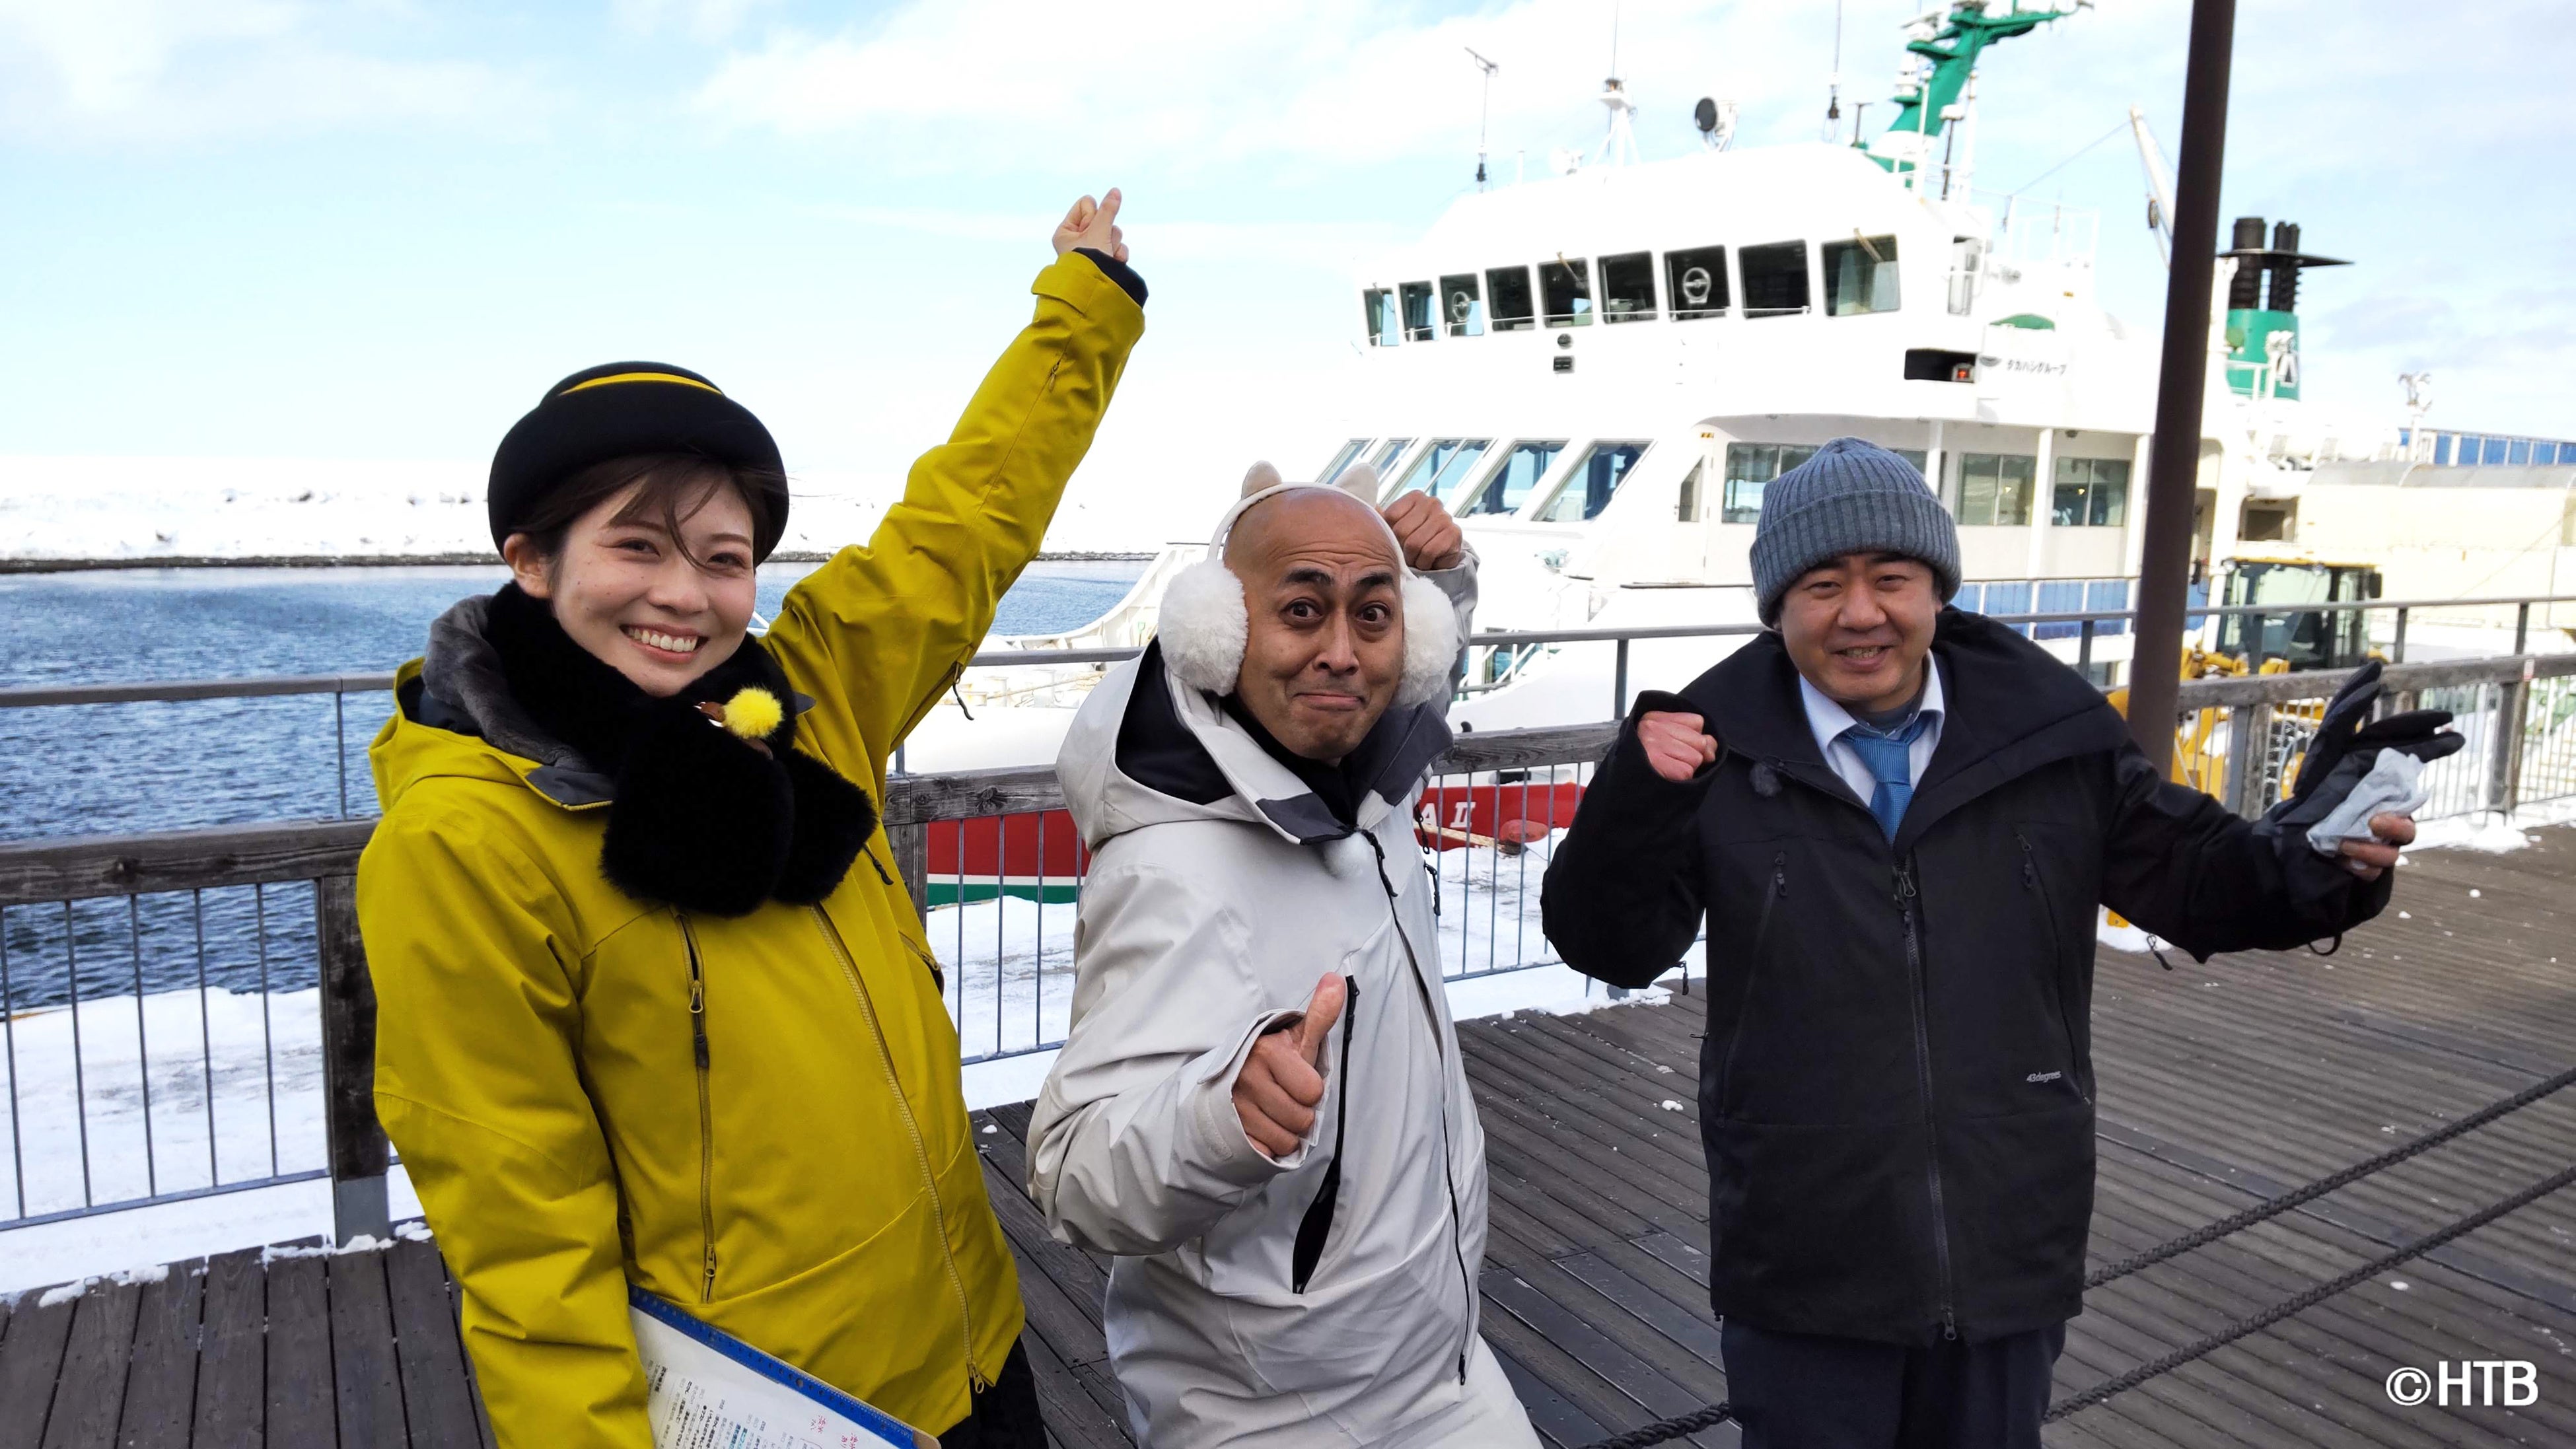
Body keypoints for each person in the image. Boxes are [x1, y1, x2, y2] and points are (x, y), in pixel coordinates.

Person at [355, 193, 1147, 1448]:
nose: (687, 595)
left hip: (973, 1349)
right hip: (777, 1411)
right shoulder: (468, 842)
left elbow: (965, 523)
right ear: (532, 558)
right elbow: (525, 1249)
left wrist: (1084, 310)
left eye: (725, 558)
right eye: (639, 547)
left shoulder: (802, 704)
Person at [1539, 438, 2456, 1449]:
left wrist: (2322, 852)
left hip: (2006, 1238)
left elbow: (2202, 882)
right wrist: (1634, 802)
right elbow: (1609, 943)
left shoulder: (2047, 733)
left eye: (1892, 578)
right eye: (1821, 584)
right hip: (1804, 1250)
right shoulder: (1714, 747)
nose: (1860, 612)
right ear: (1777, 606)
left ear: (1937, 591)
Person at [1024, 466, 1541, 1448]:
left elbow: (1426, 667)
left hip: (1443, 1359)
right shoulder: (1173, 868)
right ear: (1219, 635)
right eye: (1301, 611)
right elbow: (1071, 1169)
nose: (1341, 653)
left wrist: (1449, 576)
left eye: (1375, 616)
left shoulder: (1367, 789)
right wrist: (1221, 1121)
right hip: (1273, 1408)